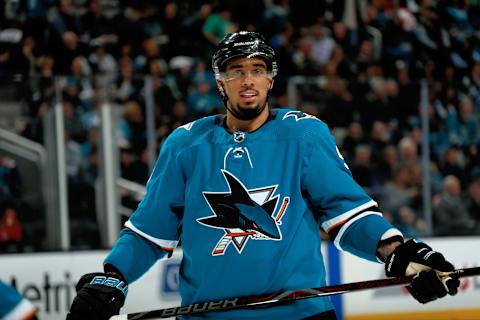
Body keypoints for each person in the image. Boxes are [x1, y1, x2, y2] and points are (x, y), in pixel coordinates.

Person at [67, 31, 460, 320]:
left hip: (299, 316)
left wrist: (401, 255)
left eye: (257, 70)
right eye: (236, 71)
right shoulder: (185, 144)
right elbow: (149, 231)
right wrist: (112, 277)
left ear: (271, 79)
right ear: (220, 82)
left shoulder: (304, 135)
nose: (248, 80)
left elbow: (348, 216)